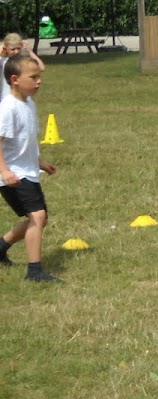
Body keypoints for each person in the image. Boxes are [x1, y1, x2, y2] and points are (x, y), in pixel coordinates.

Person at [0, 55, 60, 282]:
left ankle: (1, 245)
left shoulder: (28, 103)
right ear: (15, 79)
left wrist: (39, 163)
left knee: (38, 219)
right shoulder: (8, 107)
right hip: (12, 174)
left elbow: (26, 141)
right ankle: (34, 271)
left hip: (27, 171)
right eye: (33, 77)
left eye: (39, 77)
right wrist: (5, 171)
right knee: (37, 216)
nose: (38, 81)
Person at [0, 34, 44, 99]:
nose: (16, 51)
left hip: (23, 96)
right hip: (7, 96)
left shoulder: (23, 61)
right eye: (12, 49)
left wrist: (30, 51)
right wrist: (1, 51)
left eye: (18, 48)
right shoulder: (3, 60)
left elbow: (41, 67)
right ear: (6, 48)